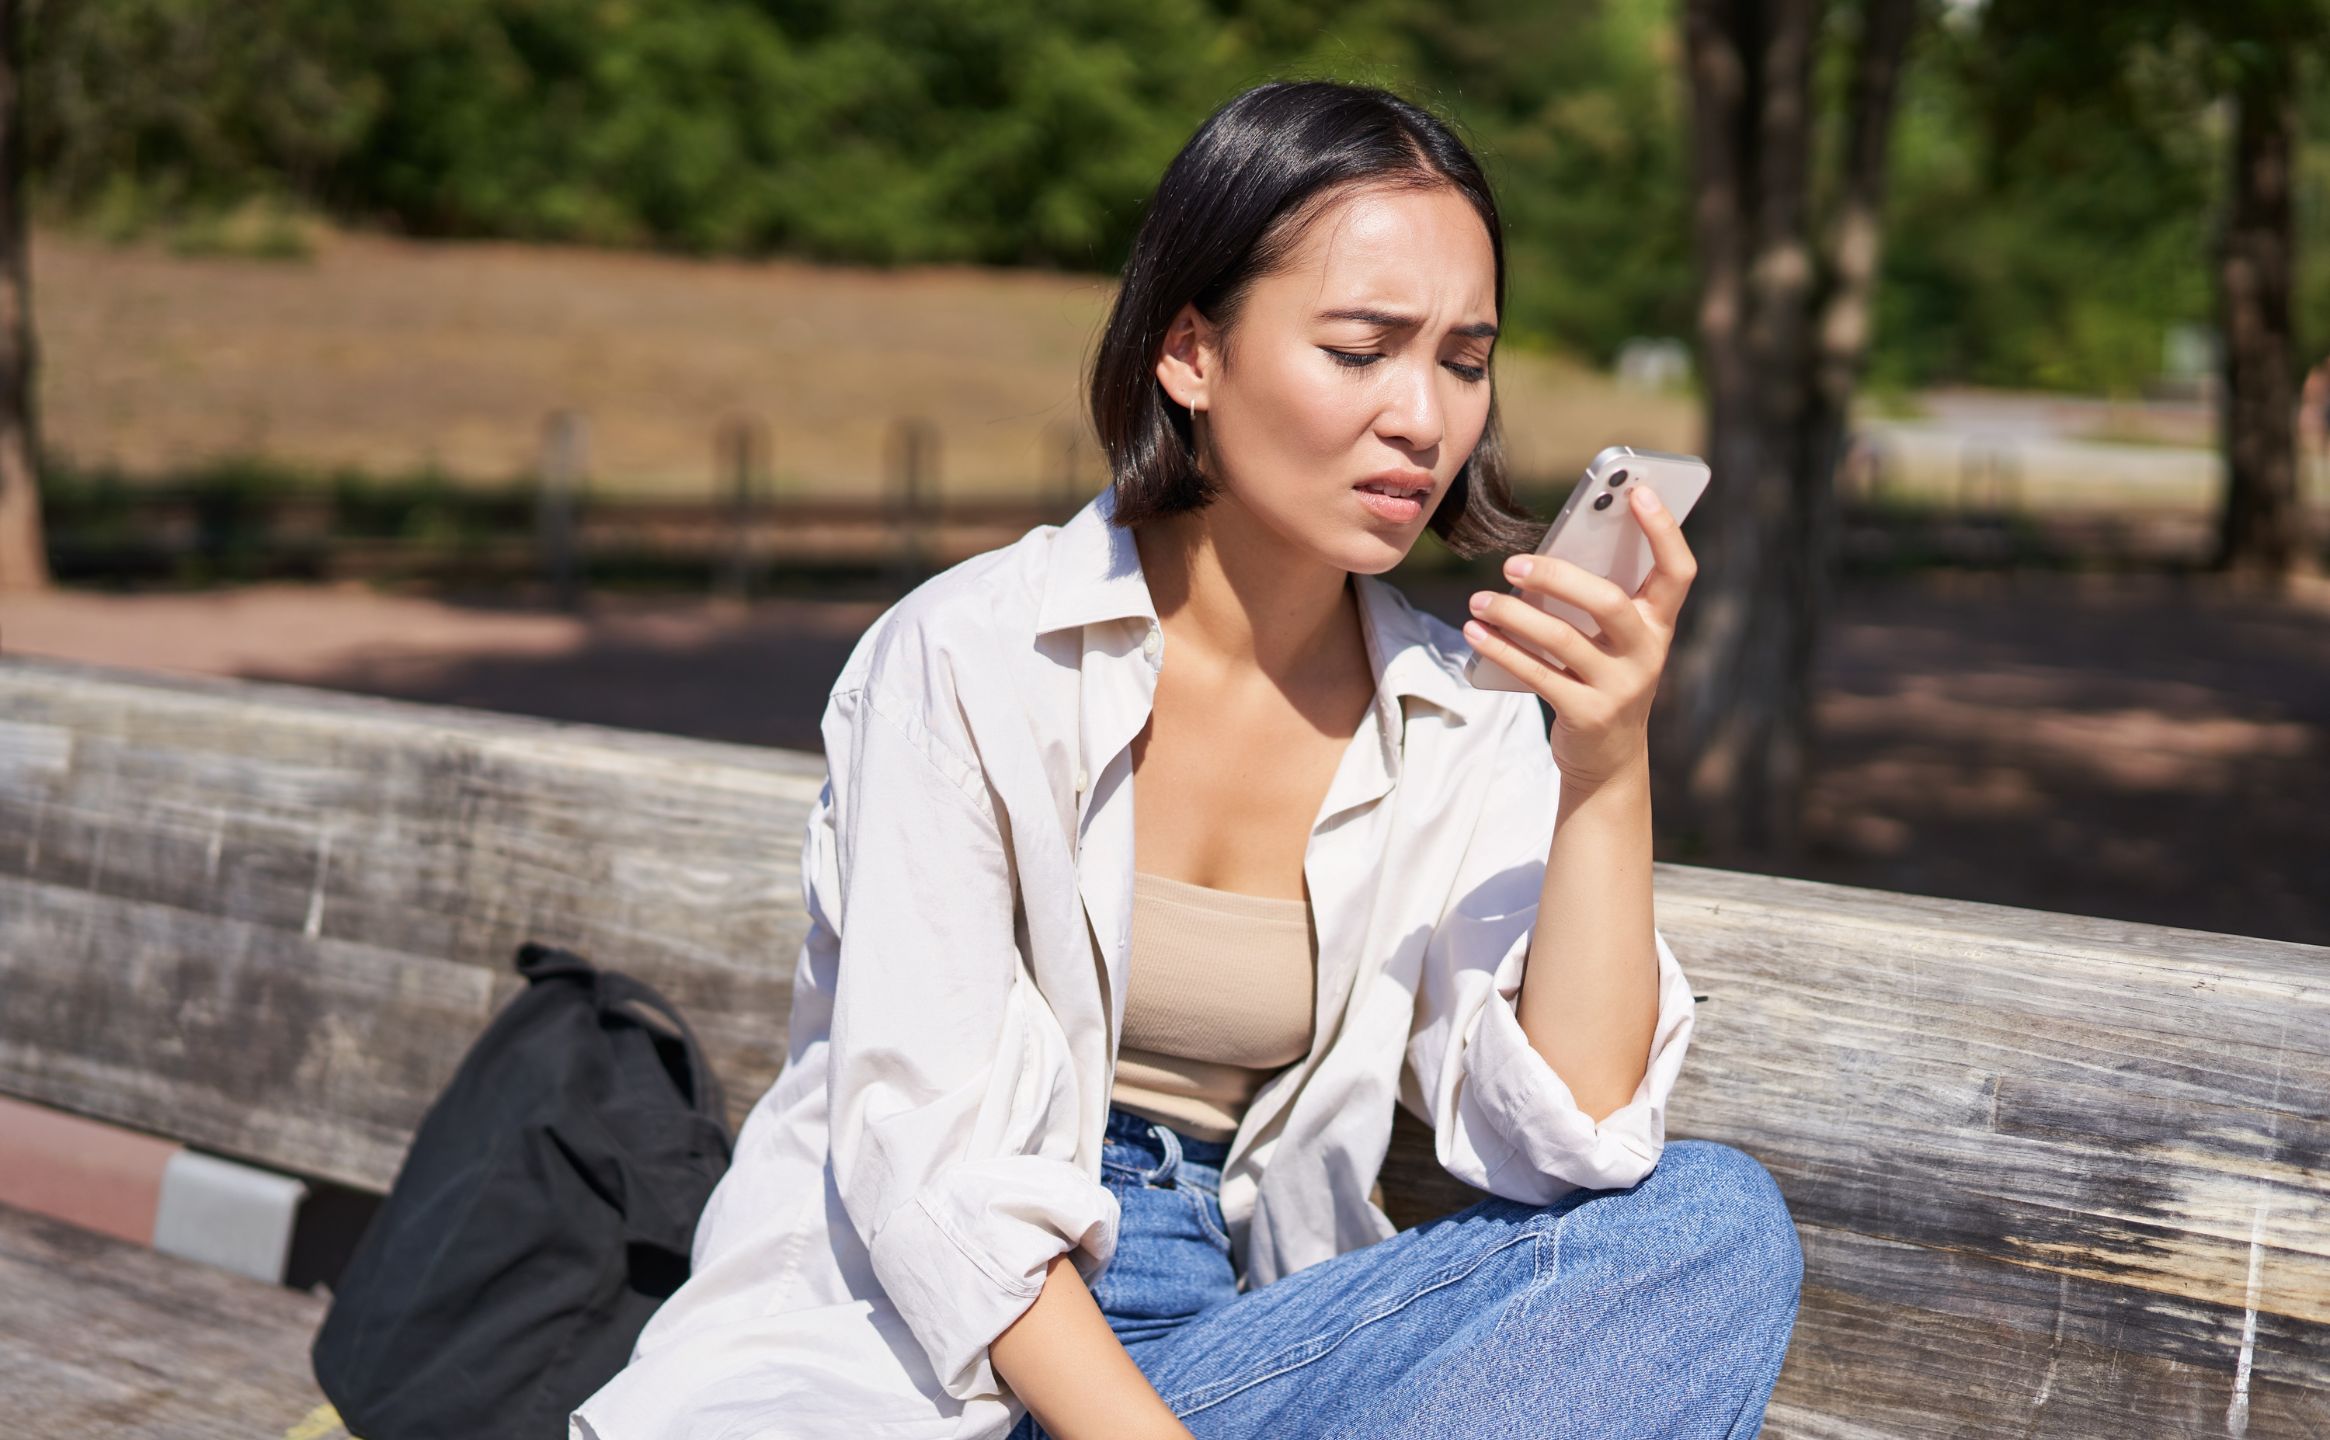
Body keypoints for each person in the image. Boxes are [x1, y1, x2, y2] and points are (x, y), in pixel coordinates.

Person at [573, 80, 1801, 1440]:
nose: (1424, 418)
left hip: (1226, 1328)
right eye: (1359, 348)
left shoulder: (1457, 716)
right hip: (925, 1349)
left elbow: (1568, 1139)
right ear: (1188, 353)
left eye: (1461, 359)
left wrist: (1604, 763)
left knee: (1712, 1221)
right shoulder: (974, 654)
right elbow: (926, 1172)